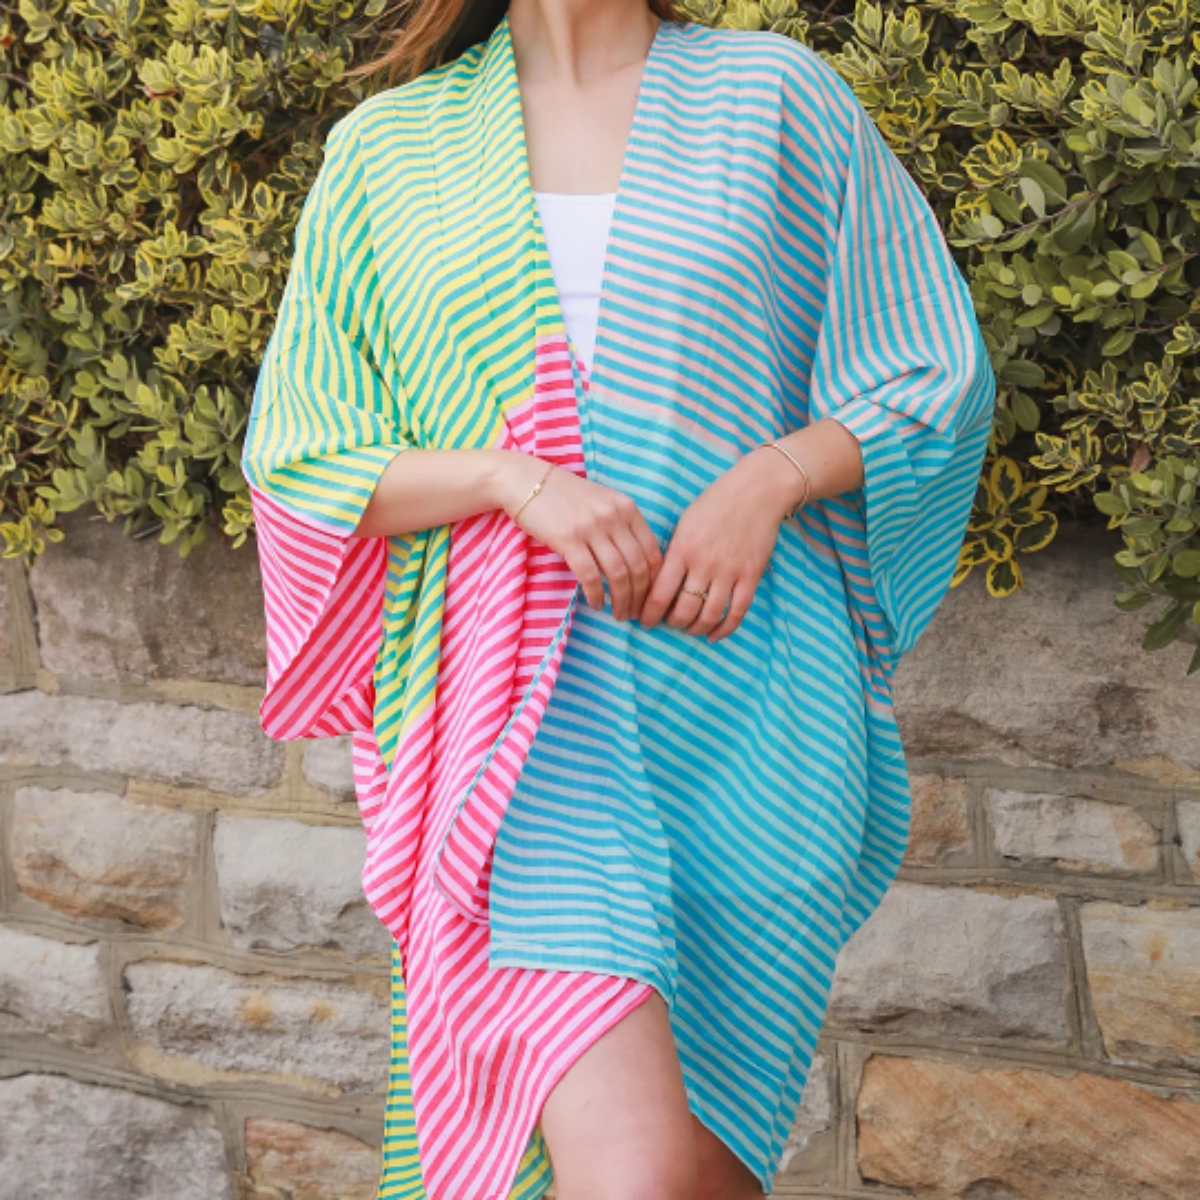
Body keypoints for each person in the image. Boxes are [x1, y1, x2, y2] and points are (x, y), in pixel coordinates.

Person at [240, 1, 997, 1198]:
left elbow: (933, 372)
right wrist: (510, 477)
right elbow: (303, 453)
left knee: (706, 1166)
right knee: (633, 1171)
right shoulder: (389, 149)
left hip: (749, 705)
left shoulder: (779, 99)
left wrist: (771, 477)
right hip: (522, 740)